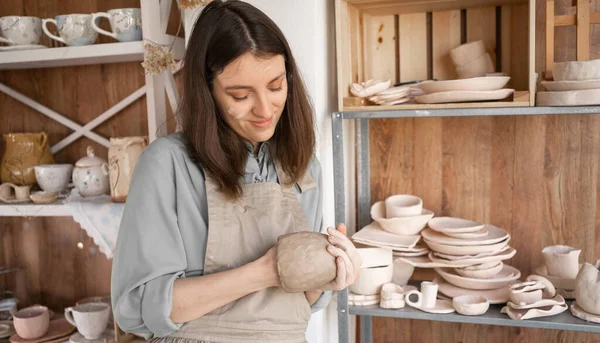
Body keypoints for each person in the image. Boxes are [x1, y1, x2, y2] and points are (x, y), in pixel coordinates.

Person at [110, 1, 362, 342]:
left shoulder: (302, 166)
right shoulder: (167, 165)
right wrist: (265, 271)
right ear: (207, 91)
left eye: (275, 86)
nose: (264, 109)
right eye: (241, 95)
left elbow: (302, 303)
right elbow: (136, 309)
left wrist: (325, 278)